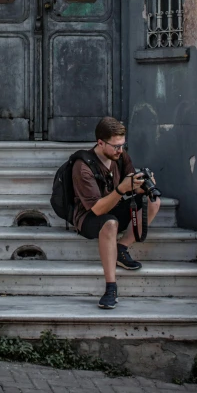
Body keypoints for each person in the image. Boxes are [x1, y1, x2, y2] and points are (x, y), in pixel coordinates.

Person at [71, 116, 161, 309]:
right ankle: (111, 288)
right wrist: (122, 188)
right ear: (100, 143)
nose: (120, 150)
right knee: (110, 224)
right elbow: (97, 209)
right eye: (116, 146)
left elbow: (131, 187)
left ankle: (122, 247)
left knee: (154, 202)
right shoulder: (83, 166)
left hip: (114, 204)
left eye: (123, 144)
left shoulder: (120, 156)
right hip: (88, 217)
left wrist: (143, 186)